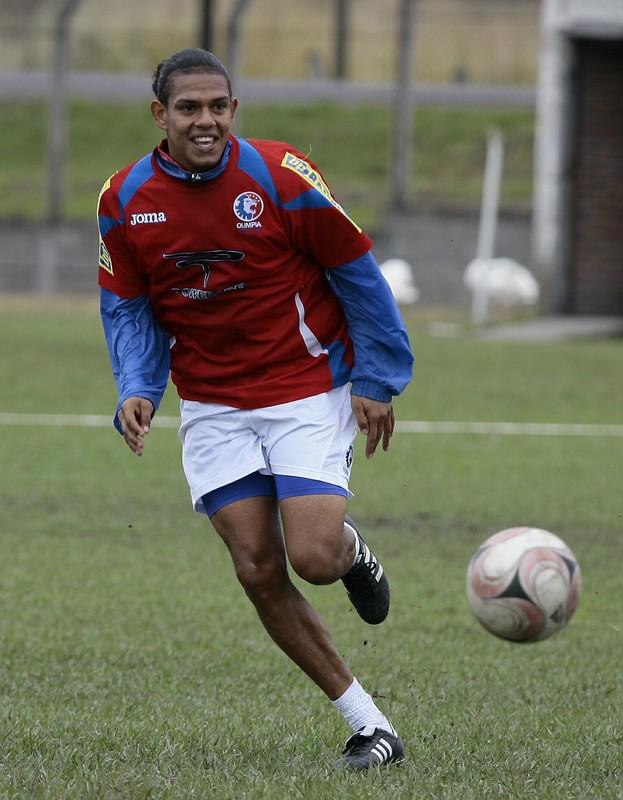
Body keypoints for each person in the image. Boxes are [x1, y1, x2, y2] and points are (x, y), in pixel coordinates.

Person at [97, 48, 414, 770]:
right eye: (188, 109)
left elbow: (357, 274)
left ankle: (347, 548)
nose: (204, 121)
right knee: (256, 566)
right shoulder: (123, 197)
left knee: (310, 558)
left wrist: (378, 377)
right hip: (213, 404)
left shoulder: (279, 175)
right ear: (160, 116)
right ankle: (372, 728)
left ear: (233, 111)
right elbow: (127, 306)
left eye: (217, 107)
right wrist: (138, 385)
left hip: (305, 389)